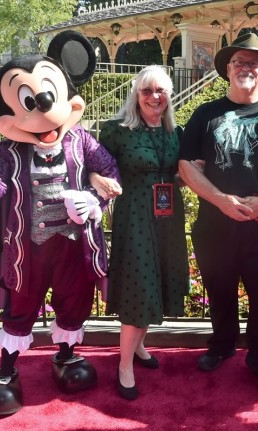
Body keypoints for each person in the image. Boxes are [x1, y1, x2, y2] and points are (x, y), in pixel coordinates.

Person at [0, 31, 122, 416]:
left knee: (74, 300)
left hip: (73, 246)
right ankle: (7, 370)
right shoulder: (9, 150)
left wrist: (94, 200)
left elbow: (111, 173)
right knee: (20, 306)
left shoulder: (81, 140)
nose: (42, 112)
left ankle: (66, 355)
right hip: (27, 249)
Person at [178, 33, 258, 395]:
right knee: (219, 291)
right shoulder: (206, 114)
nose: (246, 68)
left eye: (254, 63)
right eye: (239, 62)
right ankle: (222, 346)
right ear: (228, 70)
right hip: (215, 226)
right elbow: (188, 166)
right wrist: (221, 200)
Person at [93, 65, 190, 401]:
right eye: (147, 90)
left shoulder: (175, 133)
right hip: (134, 216)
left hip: (168, 218)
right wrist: (97, 181)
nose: (154, 97)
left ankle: (139, 346)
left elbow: (182, 172)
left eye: (161, 90)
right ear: (136, 94)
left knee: (157, 283)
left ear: (169, 95)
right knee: (139, 286)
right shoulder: (118, 131)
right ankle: (124, 366)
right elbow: (90, 165)